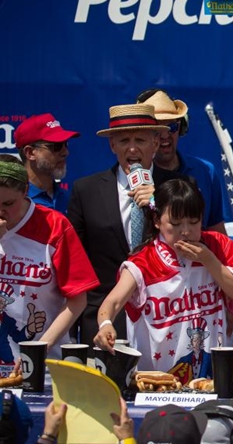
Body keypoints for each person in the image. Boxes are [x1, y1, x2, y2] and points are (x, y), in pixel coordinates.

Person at [93, 179, 233, 380]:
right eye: (175, 224)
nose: (185, 231)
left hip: (212, 379)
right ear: (157, 221)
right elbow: (112, 302)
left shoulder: (218, 246)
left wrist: (208, 260)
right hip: (156, 381)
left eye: (193, 222)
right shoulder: (143, 261)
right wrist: (106, 324)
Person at [68, 103, 190, 346]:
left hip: (166, 317)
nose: (132, 148)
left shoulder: (179, 187)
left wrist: (160, 204)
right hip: (105, 318)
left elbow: (190, 247)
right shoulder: (86, 190)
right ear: (112, 145)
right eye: (123, 140)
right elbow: (75, 262)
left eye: (140, 140)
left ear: (155, 143)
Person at [0, 155, 98, 365]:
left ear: (26, 191)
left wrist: (39, 349)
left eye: (8, 203)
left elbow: (78, 298)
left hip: (43, 363)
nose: (1, 212)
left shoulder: (54, 226)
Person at [136, 89, 229, 233]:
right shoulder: (137, 176)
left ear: (182, 128)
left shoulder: (205, 171)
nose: (166, 135)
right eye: (158, 129)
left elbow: (217, 233)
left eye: (172, 127)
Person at [13, 113, 80, 214]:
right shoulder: (11, 202)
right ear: (30, 153)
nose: (65, 152)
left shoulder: (70, 199)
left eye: (65, 144)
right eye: (56, 146)